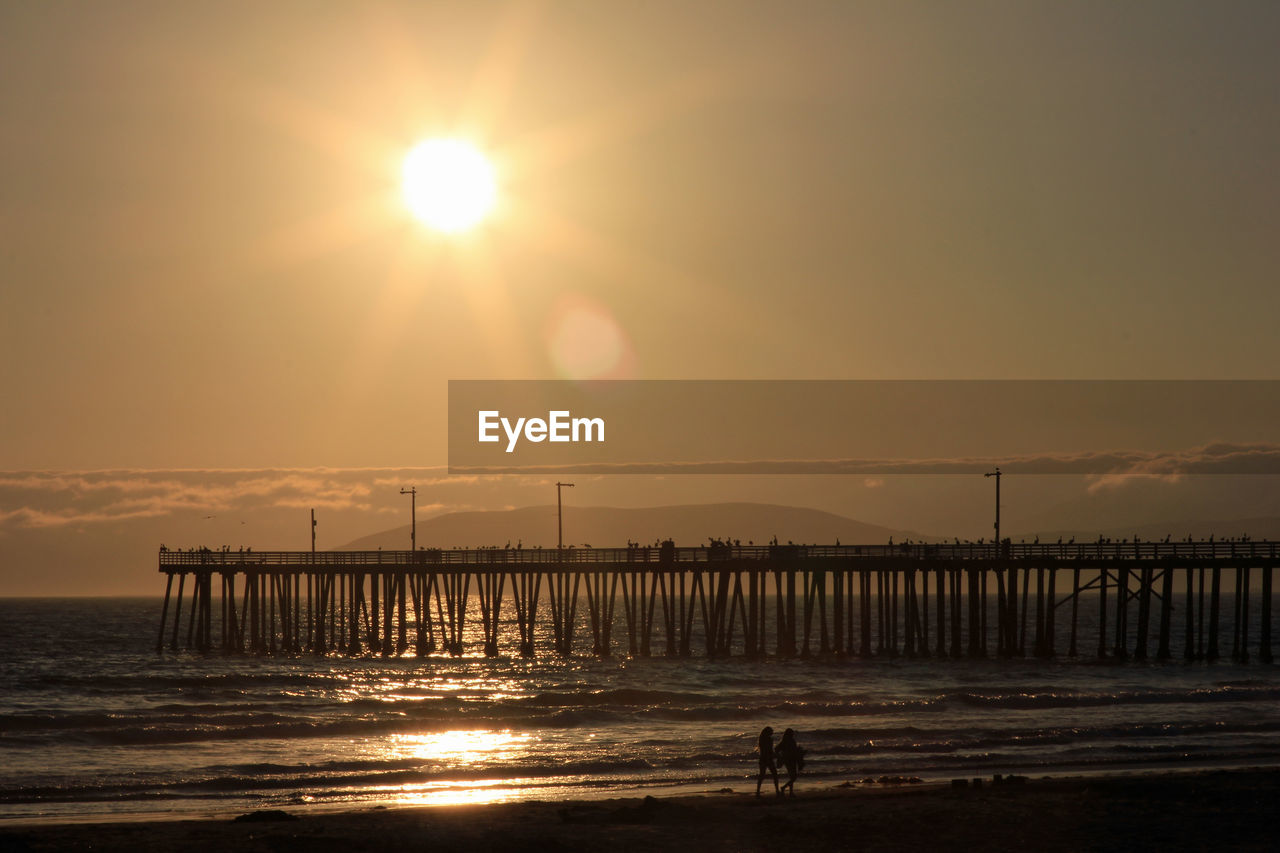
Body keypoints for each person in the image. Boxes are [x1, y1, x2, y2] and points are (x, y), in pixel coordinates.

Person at [776, 728, 804, 797]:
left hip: (789, 760)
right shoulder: (789, 741)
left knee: (792, 776)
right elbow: (777, 749)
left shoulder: (785, 741)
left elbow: (776, 749)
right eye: (792, 733)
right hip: (790, 760)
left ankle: (791, 792)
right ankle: (784, 788)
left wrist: (781, 755)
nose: (793, 734)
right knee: (793, 777)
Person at [755, 726, 779, 796]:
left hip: (762, 758)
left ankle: (758, 791)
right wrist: (776, 755)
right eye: (771, 732)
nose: (772, 733)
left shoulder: (761, 739)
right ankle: (777, 791)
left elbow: (765, 751)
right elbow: (769, 750)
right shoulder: (769, 739)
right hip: (768, 759)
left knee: (762, 775)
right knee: (774, 775)